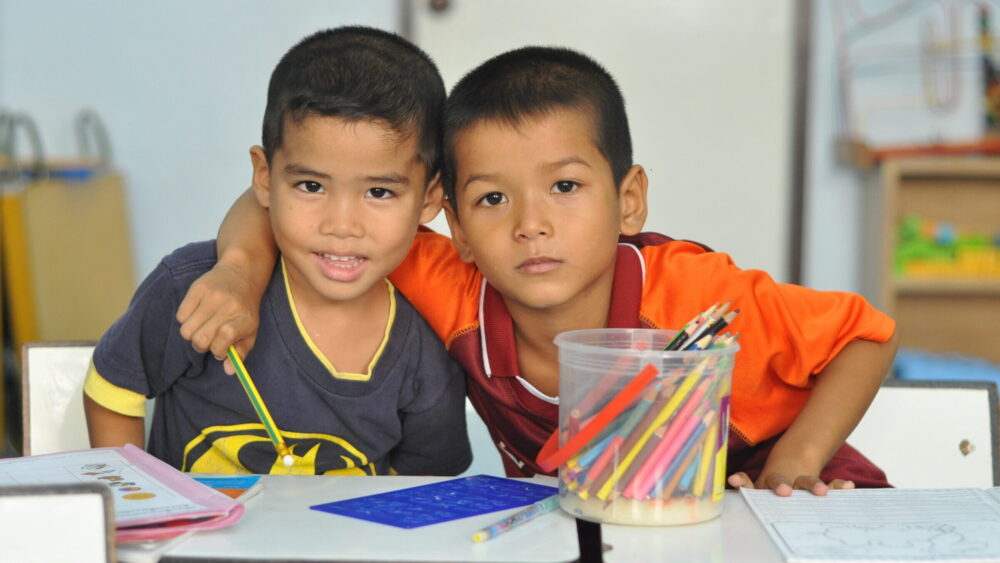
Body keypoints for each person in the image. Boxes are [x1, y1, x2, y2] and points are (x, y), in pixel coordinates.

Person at [176, 45, 898, 494]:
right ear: (456, 227)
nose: (530, 224)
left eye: (565, 186)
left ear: (629, 200)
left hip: (794, 505)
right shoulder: (457, 288)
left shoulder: (693, 293)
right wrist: (239, 271)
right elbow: (281, 204)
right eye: (492, 198)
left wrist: (797, 461)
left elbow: (868, 335)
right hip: (607, 524)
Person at [83, 26, 472, 477]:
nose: (341, 225)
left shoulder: (426, 347)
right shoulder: (197, 292)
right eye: (311, 186)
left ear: (429, 199)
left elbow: (420, 489)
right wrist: (135, 507)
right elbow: (113, 389)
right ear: (265, 178)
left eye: (379, 192)